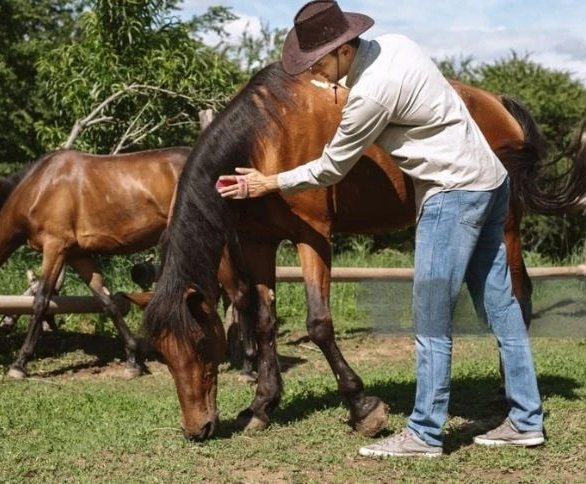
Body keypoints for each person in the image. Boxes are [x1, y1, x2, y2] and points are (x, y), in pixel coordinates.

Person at [217, 0, 544, 458]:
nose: (315, 72)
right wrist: (338, 85)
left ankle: (425, 434)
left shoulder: (369, 96)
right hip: (490, 183)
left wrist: (268, 181)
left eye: (317, 63)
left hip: (450, 195)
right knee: (501, 306)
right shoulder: (398, 46)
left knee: (430, 317)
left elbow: (330, 169)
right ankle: (526, 420)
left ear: (343, 50)